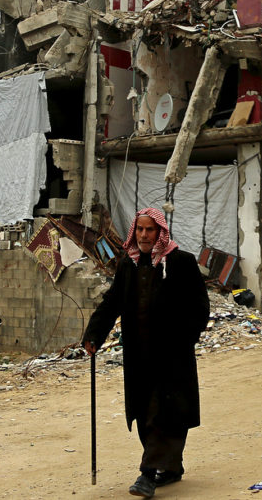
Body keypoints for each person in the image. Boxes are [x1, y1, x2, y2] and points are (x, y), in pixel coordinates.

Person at [82, 208, 210, 498]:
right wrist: (94, 335)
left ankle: (148, 473)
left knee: (163, 411)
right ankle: (171, 467)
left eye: (149, 230)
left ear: (160, 232)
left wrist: (183, 340)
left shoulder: (180, 263)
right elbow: (112, 302)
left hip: (172, 357)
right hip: (139, 355)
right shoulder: (129, 265)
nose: (143, 235)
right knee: (144, 410)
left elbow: (200, 308)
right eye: (139, 229)